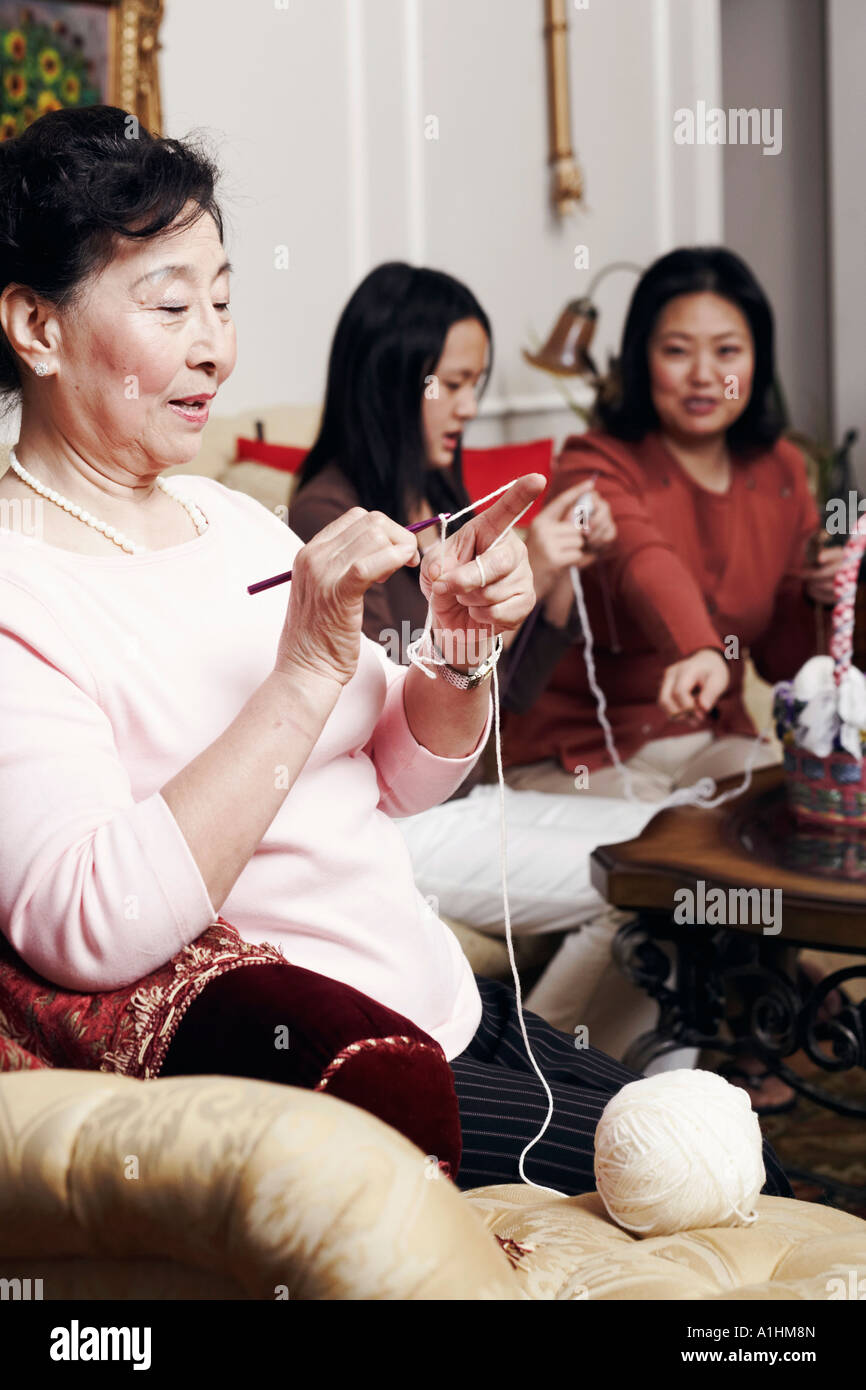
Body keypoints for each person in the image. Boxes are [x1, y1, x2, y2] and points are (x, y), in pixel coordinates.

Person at [0, 106, 793, 1197]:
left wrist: (459, 645)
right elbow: (90, 927)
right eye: (171, 304)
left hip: (450, 1007)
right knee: (726, 1188)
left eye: (223, 300)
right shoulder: (21, 588)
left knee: (743, 1162)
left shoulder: (220, 517)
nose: (214, 345)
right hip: (347, 1075)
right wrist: (303, 671)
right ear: (35, 328)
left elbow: (406, 776)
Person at [501, 246, 845, 1105]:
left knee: (758, 789)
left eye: (726, 351)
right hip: (580, 752)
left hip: (702, 743)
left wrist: (817, 595)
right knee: (675, 860)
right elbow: (640, 554)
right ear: (640, 357)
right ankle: (548, 1084)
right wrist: (695, 645)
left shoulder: (784, 473)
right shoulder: (595, 456)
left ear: (756, 359)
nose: (703, 374)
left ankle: (753, 1030)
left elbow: (782, 659)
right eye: (675, 348)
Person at [289, 262, 662, 1044]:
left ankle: (660, 1095)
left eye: (477, 382)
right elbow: (392, 691)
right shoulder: (330, 512)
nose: (469, 406)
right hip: (408, 820)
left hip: (469, 799)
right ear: (394, 380)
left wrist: (549, 578)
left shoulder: (438, 491)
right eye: (451, 384)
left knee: (669, 838)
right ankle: (545, 1064)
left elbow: (505, 696)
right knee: (650, 883)